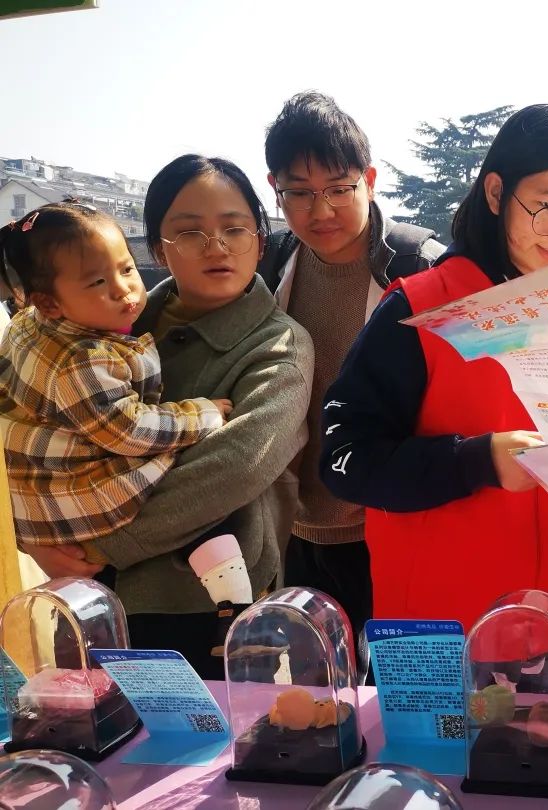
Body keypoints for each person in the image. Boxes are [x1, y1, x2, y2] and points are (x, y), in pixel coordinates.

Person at [319, 104, 548, 635]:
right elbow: (344, 459)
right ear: (496, 193)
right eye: (546, 207)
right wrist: (478, 460)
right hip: (435, 631)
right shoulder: (422, 310)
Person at [19, 155, 314, 679]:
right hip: (87, 597)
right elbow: (25, 428)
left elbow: (236, 467)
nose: (215, 245)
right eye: (189, 232)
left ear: (260, 240)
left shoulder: (279, 345)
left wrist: (93, 543)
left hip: (198, 608)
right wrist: (33, 532)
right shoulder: (89, 326)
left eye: (234, 228)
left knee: (208, 754)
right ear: (157, 247)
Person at [0, 202, 257, 656]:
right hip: (84, 490)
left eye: (125, 269)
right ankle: (236, 607)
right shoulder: (84, 358)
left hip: (43, 493)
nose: (125, 291)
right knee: (187, 477)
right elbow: (129, 431)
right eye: (98, 282)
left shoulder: (26, 326)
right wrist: (200, 415)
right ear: (49, 301)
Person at [256, 91, 444, 638]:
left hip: (394, 527)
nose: (321, 211)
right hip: (294, 532)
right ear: (275, 189)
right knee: (315, 700)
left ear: (370, 178)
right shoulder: (267, 268)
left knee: (399, 697)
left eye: (340, 189)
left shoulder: (419, 268)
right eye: (300, 193)